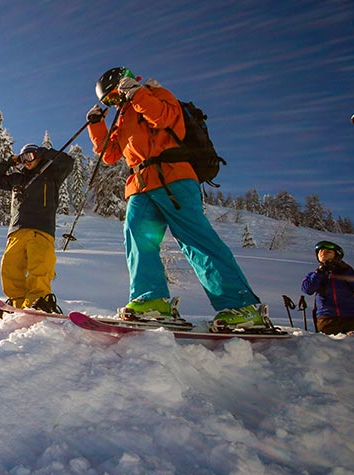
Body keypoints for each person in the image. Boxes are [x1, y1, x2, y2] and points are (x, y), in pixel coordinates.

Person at [87, 67, 266, 330]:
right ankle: (151, 301)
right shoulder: (122, 117)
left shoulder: (155, 93)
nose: (116, 102)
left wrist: (138, 95)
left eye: (115, 96)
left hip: (173, 177)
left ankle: (241, 306)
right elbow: (110, 154)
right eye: (110, 102)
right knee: (137, 237)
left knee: (195, 239)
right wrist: (97, 124)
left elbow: (164, 119)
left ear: (124, 82)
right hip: (140, 183)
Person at [0, 143, 73, 316]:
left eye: (31, 157)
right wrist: (10, 161)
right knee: (10, 267)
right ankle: (17, 303)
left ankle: (39, 301)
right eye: (23, 157)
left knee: (40, 266)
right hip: (17, 230)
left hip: (41, 228)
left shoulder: (52, 174)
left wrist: (43, 152)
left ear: (38, 156)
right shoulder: (17, 178)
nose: (27, 161)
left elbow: (67, 162)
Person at [301, 241, 354, 334]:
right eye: (320, 252)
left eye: (327, 252)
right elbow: (307, 289)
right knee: (330, 347)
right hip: (327, 319)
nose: (322, 253)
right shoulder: (314, 275)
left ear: (337, 255)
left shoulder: (347, 271)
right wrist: (319, 273)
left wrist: (345, 271)